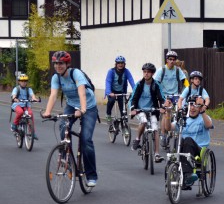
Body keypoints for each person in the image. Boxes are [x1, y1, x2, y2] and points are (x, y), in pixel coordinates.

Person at [42, 51, 99, 187]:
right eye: (55, 63)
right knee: (63, 126)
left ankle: (91, 175)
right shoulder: (56, 77)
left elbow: (82, 93)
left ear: (67, 64)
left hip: (89, 107)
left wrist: (83, 110)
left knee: (86, 140)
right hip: (72, 105)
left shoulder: (76, 74)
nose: (58, 66)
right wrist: (48, 112)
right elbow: (53, 95)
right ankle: (67, 157)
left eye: (61, 63)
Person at [163, 94, 214, 189]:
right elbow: (168, 128)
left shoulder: (203, 118)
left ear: (200, 108)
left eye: (196, 105)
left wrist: (203, 111)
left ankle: (188, 175)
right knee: (178, 139)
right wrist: (168, 112)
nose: (193, 108)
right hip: (184, 151)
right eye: (191, 105)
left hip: (199, 151)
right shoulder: (183, 120)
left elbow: (209, 125)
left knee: (188, 140)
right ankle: (175, 173)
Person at [129, 63, 167, 163]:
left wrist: (163, 107)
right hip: (140, 110)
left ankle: (157, 154)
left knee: (155, 129)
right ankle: (137, 139)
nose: (146, 74)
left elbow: (161, 98)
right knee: (144, 121)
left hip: (153, 110)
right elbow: (133, 98)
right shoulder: (139, 84)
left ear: (152, 74)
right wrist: (133, 108)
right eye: (144, 72)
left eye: (148, 72)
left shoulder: (156, 85)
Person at [153, 51, 187, 147]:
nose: (172, 61)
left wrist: (189, 90)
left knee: (178, 112)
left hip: (175, 95)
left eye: (174, 59)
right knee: (165, 113)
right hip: (164, 96)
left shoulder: (177, 70)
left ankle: (175, 130)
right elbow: (156, 84)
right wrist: (159, 95)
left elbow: (185, 81)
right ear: (167, 60)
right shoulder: (162, 70)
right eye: (170, 59)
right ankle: (163, 134)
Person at [105, 55, 135, 126]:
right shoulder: (111, 71)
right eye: (119, 63)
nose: (120, 64)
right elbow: (108, 81)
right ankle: (108, 115)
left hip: (121, 92)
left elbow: (131, 81)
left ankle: (124, 125)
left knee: (123, 108)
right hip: (112, 92)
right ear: (116, 64)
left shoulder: (126, 71)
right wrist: (109, 92)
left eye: (122, 63)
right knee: (111, 100)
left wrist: (135, 90)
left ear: (124, 64)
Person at [10, 74, 40, 139]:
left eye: (25, 81)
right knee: (20, 112)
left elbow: (32, 95)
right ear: (19, 82)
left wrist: (34, 99)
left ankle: (32, 132)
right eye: (22, 81)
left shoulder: (29, 89)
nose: (24, 82)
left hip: (26, 105)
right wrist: (15, 98)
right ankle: (14, 125)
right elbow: (14, 95)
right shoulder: (16, 88)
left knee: (30, 114)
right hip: (17, 104)